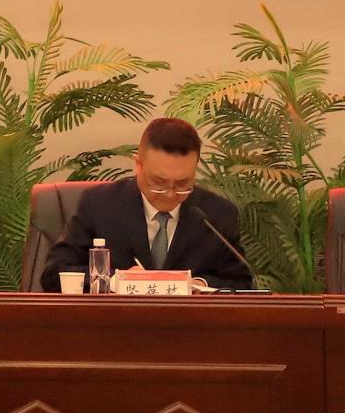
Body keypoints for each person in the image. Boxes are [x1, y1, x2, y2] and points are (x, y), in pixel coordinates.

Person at [40, 117, 252, 292]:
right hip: (115, 325)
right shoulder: (99, 205)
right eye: (158, 182)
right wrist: (114, 281)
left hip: (189, 327)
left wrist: (200, 286)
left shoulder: (218, 214)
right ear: (138, 165)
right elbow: (54, 273)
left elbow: (242, 283)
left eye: (182, 184)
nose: (170, 194)